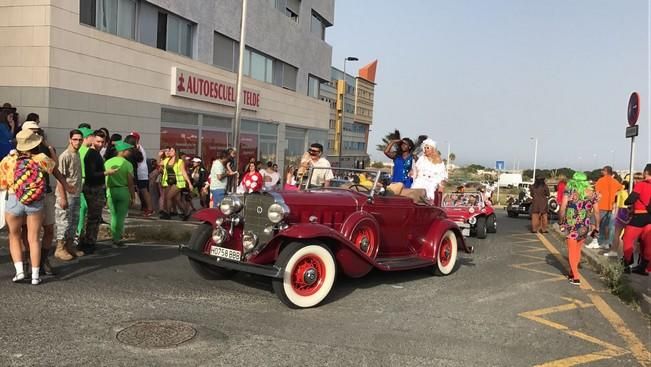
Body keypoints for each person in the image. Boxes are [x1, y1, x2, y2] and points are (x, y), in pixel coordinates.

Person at [0, 129, 73, 284]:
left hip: (14, 199)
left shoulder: (8, 160)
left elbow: (3, 184)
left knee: (14, 236)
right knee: (34, 238)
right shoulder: (41, 158)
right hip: (35, 201)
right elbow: (56, 171)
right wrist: (66, 185)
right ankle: (35, 276)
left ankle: (20, 272)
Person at [19, 120, 58, 274]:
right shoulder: (18, 152)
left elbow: (54, 168)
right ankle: (29, 261)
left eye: (38, 131)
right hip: (26, 195)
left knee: (49, 228)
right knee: (26, 231)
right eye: (32, 131)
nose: (36, 134)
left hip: (45, 193)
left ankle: (43, 260)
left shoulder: (43, 151)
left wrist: (49, 147)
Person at [559, 172, 600, 286]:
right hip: (584, 226)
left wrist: (561, 222)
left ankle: (576, 277)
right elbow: (596, 212)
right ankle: (572, 273)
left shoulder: (569, 191)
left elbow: (562, 208)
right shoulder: (592, 194)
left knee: (572, 251)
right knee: (577, 250)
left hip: (571, 226)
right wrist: (597, 227)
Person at [79, 130, 117, 254]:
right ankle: (89, 242)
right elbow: (91, 174)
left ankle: (87, 241)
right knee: (93, 217)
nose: (100, 144)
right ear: (92, 140)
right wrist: (107, 172)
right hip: (93, 188)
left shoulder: (95, 153)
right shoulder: (91, 154)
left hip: (95, 187)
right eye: (98, 141)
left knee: (92, 217)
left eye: (102, 141)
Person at [54, 129, 85, 261]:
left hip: (76, 194)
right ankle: (59, 248)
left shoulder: (77, 154)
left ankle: (69, 246)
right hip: (66, 195)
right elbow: (60, 178)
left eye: (80, 139)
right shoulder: (65, 156)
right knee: (63, 222)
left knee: (74, 221)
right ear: (70, 140)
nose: (77, 142)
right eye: (75, 139)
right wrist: (62, 198)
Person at [104, 141, 136, 247]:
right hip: (123, 191)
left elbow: (105, 179)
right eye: (128, 150)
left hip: (110, 191)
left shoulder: (107, 162)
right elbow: (130, 183)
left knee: (113, 216)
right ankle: (117, 239)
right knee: (121, 217)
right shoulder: (128, 164)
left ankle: (114, 237)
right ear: (122, 151)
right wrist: (133, 196)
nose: (129, 152)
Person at [622, 163, 651, 275]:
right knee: (648, 243)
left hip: (639, 216)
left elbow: (630, 200)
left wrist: (628, 202)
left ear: (646, 172)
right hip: (650, 218)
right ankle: (643, 267)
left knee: (628, 239)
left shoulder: (641, 184)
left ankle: (627, 263)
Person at [588, 166, 623, 249]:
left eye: (603, 170)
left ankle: (595, 241)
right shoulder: (615, 181)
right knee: (605, 226)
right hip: (610, 207)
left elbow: (596, 193)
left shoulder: (601, 180)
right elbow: (620, 189)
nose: (601, 171)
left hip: (600, 206)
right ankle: (604, 242)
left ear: (606, 171)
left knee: (594, 224)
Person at [159, 146, 193, 219]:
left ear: (175, 152)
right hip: (168, 181)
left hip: (177, 182)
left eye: (171, 151)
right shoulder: (167, 160)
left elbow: (184, 172)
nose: (169, 152)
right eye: (169, 151)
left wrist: (189, 183)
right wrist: (160, 155)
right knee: (177, 199)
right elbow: (160, 164)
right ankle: (186, 213)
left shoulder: (179, 161)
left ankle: (167, 214)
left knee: (168, 197)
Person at [411, 138, 447, 204]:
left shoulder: (440, 162)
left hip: (432, 184)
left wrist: (441, 186)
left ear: (432, 149)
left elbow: (442, 176)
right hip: (420, 181)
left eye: (427, 148)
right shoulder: (421, 159)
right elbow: (415, 171)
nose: (425, 150)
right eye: (424, 148)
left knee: (429, 200)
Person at [75, 127, 95, 243]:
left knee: (81, 208)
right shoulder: (88, 152)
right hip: (87, 182)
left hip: (78, 182)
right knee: (85, 209)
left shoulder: (77, 151)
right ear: (87, 138)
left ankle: (78, 232)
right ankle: (80, 233)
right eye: (92, 136)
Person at [604, 180, 630, 258]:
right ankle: (625, 255)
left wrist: (615, 214)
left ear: (624, 185)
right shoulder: (630, 192)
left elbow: (617, 204)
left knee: (616, 233)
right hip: (629, 211)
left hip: (621, 211)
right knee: (627, 236)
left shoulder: (620, 193)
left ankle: (613, 250)